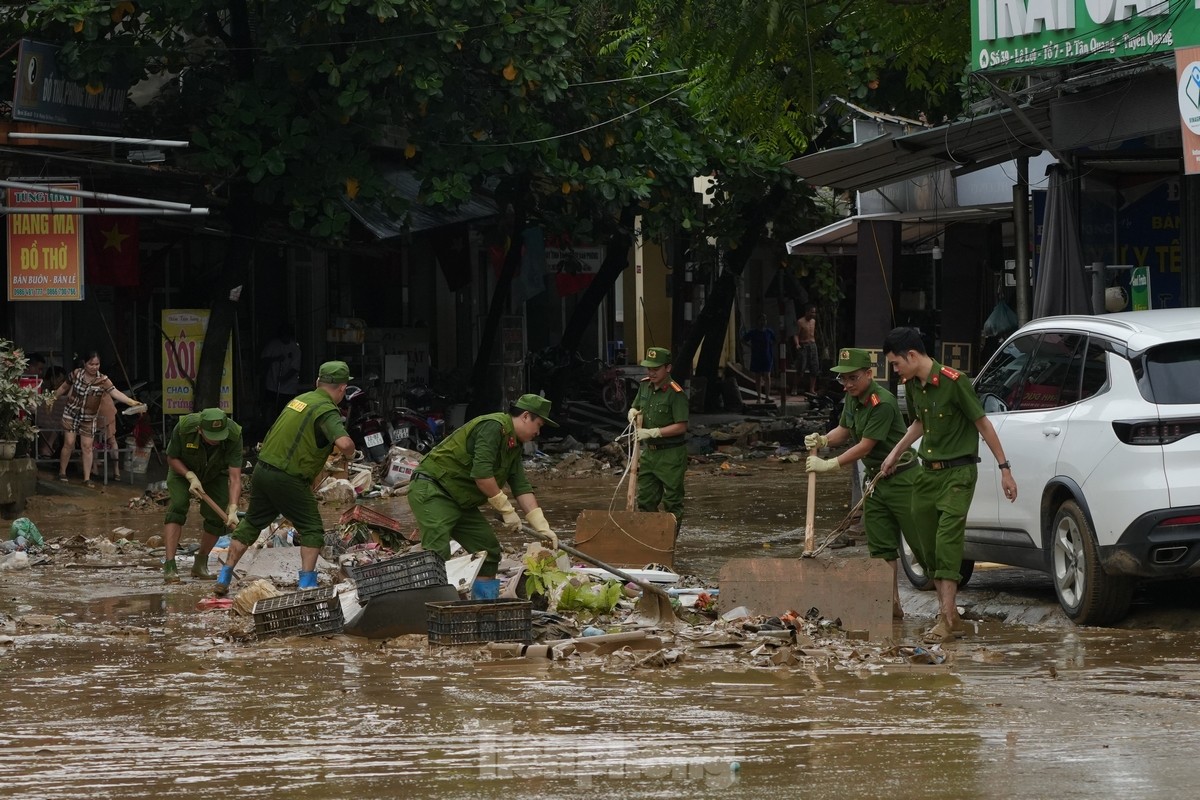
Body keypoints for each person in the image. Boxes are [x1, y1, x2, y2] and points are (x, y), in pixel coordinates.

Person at [880, 327, 1018, 644]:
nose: (895, 369)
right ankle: (951, 616)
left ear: (912, 356)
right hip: (927, 474)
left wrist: (1004, 469)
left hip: (959, 473)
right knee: (924, 542)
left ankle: (946, 617)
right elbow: (919, 423)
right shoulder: (912, 385)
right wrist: (894, 453)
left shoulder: (956, 383)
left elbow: (982, 423)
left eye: (896, 363)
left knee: (946, 541)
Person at [215, 361, 357, 596]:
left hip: (263, 470)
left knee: (251, 523)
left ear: (317, 383)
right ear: (342, 389)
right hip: (288, 477)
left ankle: (224, 576)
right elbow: (344, 443)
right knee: (312, 528)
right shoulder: (326, 409)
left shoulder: (299, 401)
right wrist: (353, 453)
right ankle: (307, 586)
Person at [805, 348, 919, 620]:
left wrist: (830, 464)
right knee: (880, 549)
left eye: (853, 378)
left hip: (903, 480)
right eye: (843, 379)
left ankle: (946, 613)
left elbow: (866, 446)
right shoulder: (852, 398)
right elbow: (844, 430)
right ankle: (890, 606)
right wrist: (823, 440)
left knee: (920, 545)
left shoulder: (883, 403)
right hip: (877, 481)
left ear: (869, 374)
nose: (847, 384)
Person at [408, 394, 560, 599]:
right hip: (434, 489)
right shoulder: (493, 427)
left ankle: (484, 609)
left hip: (461, 499)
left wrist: (541, 526)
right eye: (538, 425)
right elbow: (482, 476)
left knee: (489, 551)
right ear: (526, 416)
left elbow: (521, 486)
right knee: (437, 551)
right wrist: (506, 510)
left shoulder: (513, 445)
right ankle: (432, 611)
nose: (538, 432)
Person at [162, 408, 244, 584]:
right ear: (199, 429)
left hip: (215, 474)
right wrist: (190, 476)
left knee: (216, 517)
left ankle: (200, 564)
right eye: (211, 436)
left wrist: (233, 508)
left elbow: (235, 477)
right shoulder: (184, 428)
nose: (216, 440)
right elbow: (172, 457)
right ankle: (170, 566)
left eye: (219, 436)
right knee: (178, 506)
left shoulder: (234, 435)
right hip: (182, 471)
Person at [54, 351, 143, 487]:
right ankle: (62, 472)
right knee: (69, 443)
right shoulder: (77, 373)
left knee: (87, 447)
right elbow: (64, 387)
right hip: (71, 413)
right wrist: (52, 398)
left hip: (89, 417)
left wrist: (131, 402)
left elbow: (115, 392)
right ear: (85, 363)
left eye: (97, 364)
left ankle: (87, 478)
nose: (94, 367)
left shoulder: (103, 380)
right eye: (91, 364)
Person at [627, 346, 689, 531]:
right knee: (645, 499)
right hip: (649, 454)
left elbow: (681, 426)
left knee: (672, 502)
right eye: (649, 369)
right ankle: (652, 537)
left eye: (656, 369)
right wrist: (632, 412)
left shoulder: (675, 393)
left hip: (671, 454)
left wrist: (654, 432)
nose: (651, 373)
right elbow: (636, 405)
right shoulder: (644, 386)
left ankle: (668, 543)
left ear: (667, 368)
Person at [261, 324, 302, 421]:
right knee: (270, 406)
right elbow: (263, 360)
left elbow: (295, 368)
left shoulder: (295, 349)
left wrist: (284, 378)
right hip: (272, 384)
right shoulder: (273, 345)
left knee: (286, 408)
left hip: (289, 387)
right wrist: (275, 359)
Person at [742, 315, 776, 404]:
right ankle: (759, 397)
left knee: (767, 376)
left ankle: (767, 397)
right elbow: (743, 340)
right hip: (757, 357)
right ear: (758, 321)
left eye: (764, 320)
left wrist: (769, 349)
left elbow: (774, 341)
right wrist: (750, 347)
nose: (763, 322)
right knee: (758, 377)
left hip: (767, 357)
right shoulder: (753, 332)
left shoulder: (769, 332)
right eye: (761, 320)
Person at [794, 305, 819, 395]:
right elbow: (796, 334)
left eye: (814, 312)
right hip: (804, 345)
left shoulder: (813, 321)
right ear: (807, 312)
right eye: (812, 312)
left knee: (814, 368)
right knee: (801, 368)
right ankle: (795, 387)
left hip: (812, 345)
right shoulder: (800, 322)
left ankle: (811, 389)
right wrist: (797, 344)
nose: (813, 314)